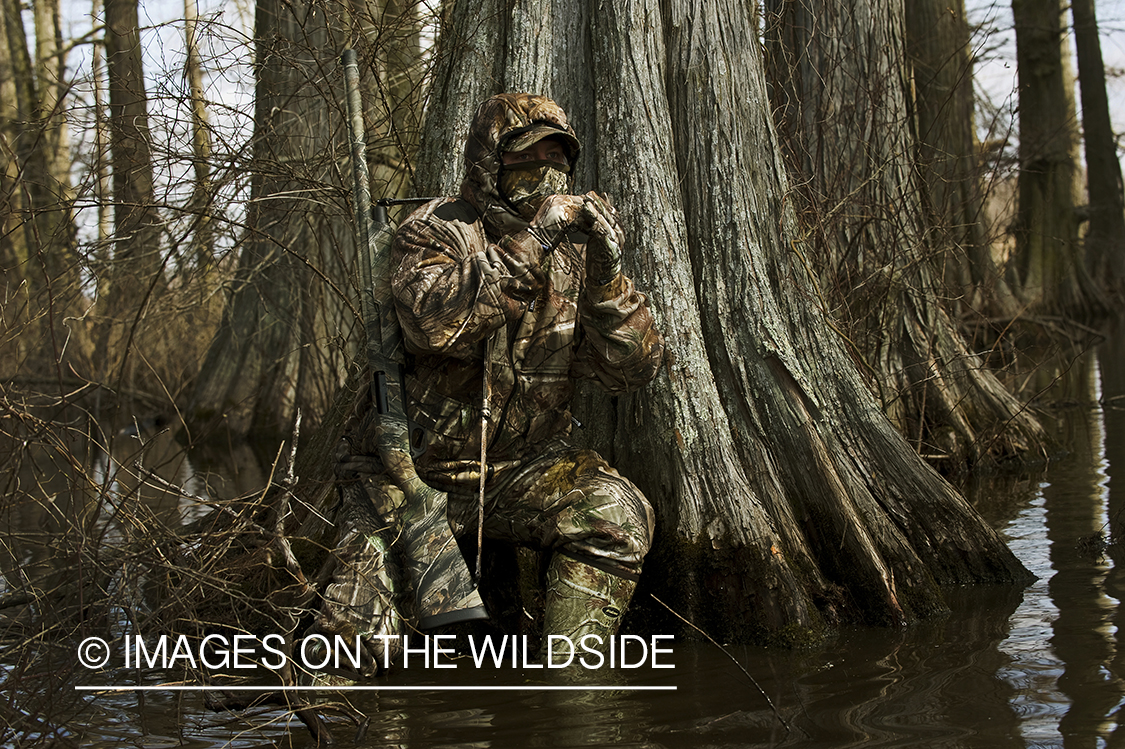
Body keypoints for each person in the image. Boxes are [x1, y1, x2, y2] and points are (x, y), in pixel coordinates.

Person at [388, 92, 664, 657]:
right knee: (349, 651)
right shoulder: (434, 231)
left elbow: (632, 370)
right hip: (418, 475)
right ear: (490, 164)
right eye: (525, 160)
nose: (543, 176)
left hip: (523, 470)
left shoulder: (570, 255)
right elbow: (437, 326)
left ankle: (569, 686)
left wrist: (607, 276)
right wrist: (535, 239)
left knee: (617, 514)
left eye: (555, 162)